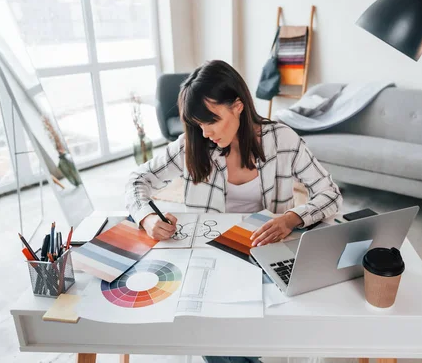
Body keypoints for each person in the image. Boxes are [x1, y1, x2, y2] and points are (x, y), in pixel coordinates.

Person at [125, 60, 342, 363]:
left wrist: (292, 218)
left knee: (255, 327)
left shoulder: (283, 140)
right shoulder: (193, 144)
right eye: (199, 124)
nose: (205, 133)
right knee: (213, 330)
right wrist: (147, 218)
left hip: (266, 254)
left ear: (238, 105)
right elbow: (137, 180)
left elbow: (330, 194)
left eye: (211, 121)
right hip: (211, 257)